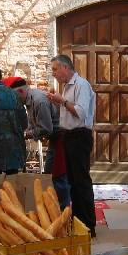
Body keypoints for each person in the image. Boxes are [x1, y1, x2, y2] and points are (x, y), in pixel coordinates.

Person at [47, 54, 97, 237]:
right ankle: (78, 222)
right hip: (68, 136)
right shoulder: (66, 87)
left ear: (65, 68)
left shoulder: (81, 85)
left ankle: (88, 225)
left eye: (55, 69)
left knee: (81, 181)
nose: (53, 74)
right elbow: (67, 112)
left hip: (79, 136)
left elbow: (81, 113)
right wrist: (58, 102)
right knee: (72, 182)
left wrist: (63, 102)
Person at [6, 77, 71, 208]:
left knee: (56, 177)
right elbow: (33, 124)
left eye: (13, 97)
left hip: (61, 139)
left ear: (20, 91)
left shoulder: (38, 100)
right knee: (51, 176)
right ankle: (57, 209)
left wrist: (26, 135)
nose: (13, 101)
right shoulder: (29, 100)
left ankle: (64, 212)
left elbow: (46, 128)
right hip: (55, 139)